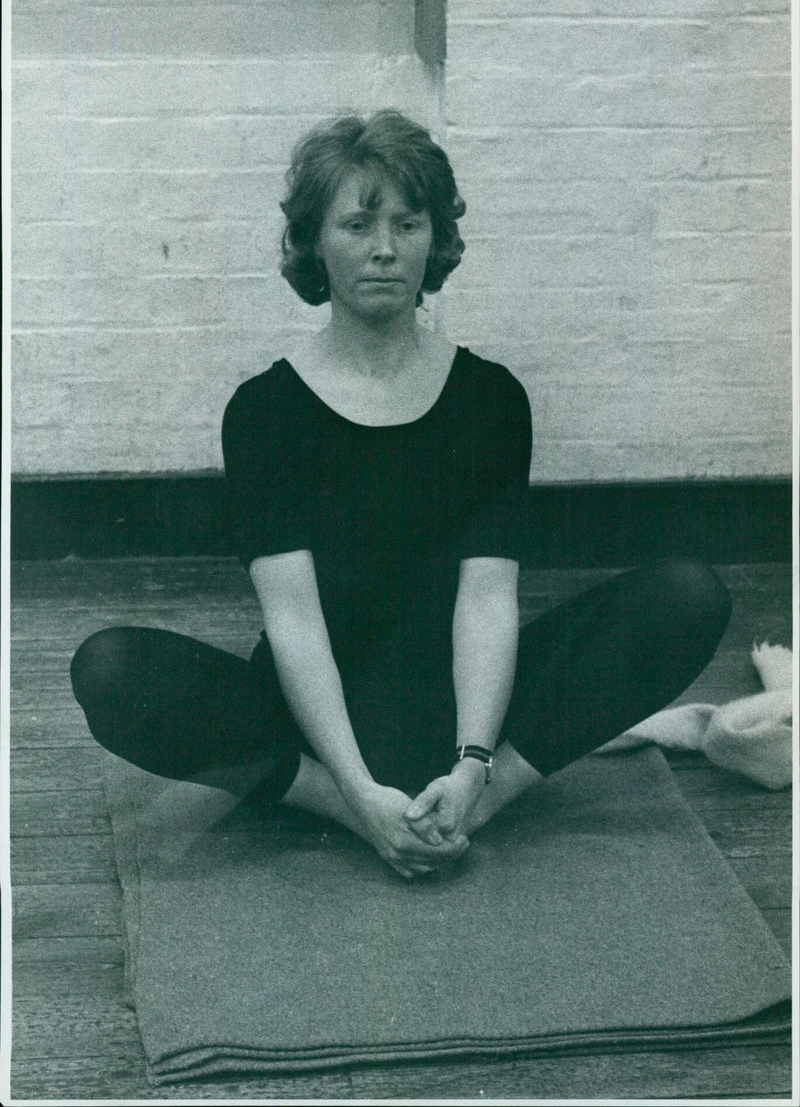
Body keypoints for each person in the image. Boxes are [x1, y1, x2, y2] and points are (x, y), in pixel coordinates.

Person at [70, 110, 732, 880]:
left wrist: (476, 765)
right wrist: (355, 789)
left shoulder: (490, 397)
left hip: (463, 704)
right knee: (109, 668)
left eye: (407, 223)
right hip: (318, 724)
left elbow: (488, 600)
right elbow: (294, 619)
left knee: (687, 594)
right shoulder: (264, 412)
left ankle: (477, 805)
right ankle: (342, 808)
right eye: (357, 224)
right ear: (315, 242)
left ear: (435, 240)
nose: (385, 248)